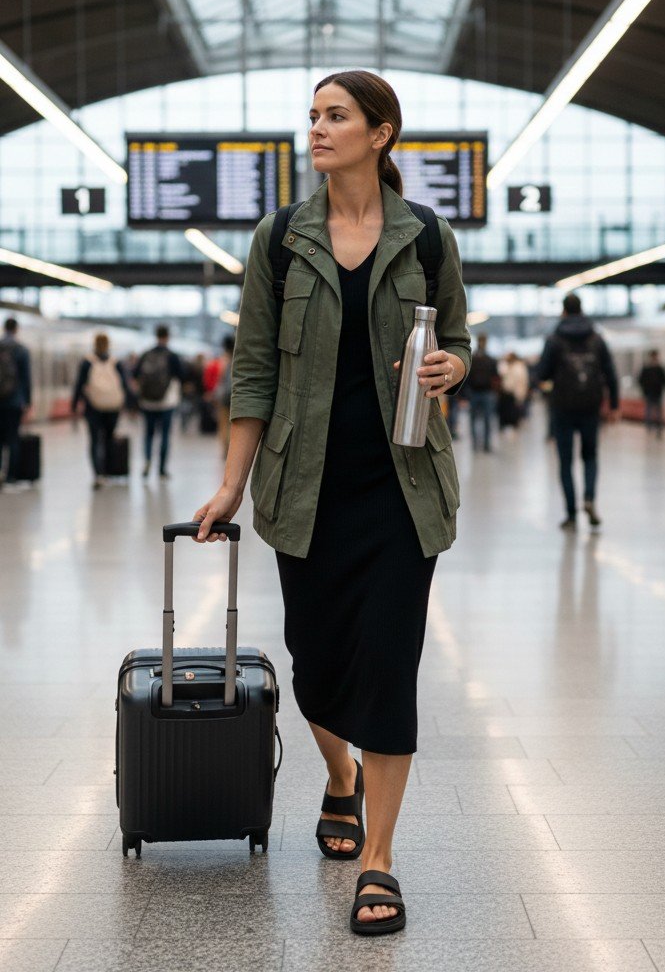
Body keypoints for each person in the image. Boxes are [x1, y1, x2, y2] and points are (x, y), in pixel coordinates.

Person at [192, 70, 471, 935]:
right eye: (311, 115)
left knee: (387, 667)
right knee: (314, 667)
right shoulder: (278, 240)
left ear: (380, 134)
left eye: (335, 115)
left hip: (401, 488)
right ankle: (339, 775)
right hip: (300, 489)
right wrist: (231, 484)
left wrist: (453, 365)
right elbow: (253, 370)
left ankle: (379, 863)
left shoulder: (426, 237)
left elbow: (457, 335)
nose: (315, 128)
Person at [537, 293, 619, 530]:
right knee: (590, 456)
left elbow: (541, 373)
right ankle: (590, 499)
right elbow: (611, 374)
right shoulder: (596, 338)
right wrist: (613, 405)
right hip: (590, 406)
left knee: (565, 461)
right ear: (581, 310)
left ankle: (571, 514)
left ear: (563, 311)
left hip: (562, 407)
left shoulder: (554, 339)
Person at [72, 332, 128, 489]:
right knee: (109, 440)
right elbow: (125, 385)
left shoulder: (87, 362)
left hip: (93, 408)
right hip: (112, 407)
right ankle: (108, 472)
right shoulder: (116, 362)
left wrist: (75, 404)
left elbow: (79, 385)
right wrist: (131, 404)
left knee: (95, 440)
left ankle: (98, 474)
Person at [133, 325, 183, 479]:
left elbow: (135, 374)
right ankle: (161, 469)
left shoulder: (146, 354)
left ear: (156, 335)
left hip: (147, 402)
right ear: (167, 336)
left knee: (148, 434)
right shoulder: (172, 356)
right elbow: (181, 375)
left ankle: (147, 460)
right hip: (166, 402)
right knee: (165, 435)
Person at [0, 316, 31, 489]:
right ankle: (11, 477)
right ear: (16, 329)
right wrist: (28, 402)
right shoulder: (21, 350)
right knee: (13, 440)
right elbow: (26, 379)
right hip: (14, 402)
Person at [467, 334, 499, 451]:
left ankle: (484, 444)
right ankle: (477, 444)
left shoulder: (486, 359)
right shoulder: (474, 359)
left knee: (485, 419)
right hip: (476, 392)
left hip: (486, 393)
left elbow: (496, 377)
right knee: (477, 419)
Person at [638, 349, 665, 437]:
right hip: (650, 393)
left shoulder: (660, 368)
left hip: (658, 392)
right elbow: (641, 380)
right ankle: (649, 427)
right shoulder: (647, 368)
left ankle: (658, 427)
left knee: (657, 411)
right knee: (649, 410)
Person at [498, 351, 529, 430]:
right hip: (506, 392)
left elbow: (523, 380)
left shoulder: (519, 366)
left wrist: (522, 392)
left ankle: (515, 425)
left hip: (516, 392)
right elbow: (501, 373)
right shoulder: (506, 366)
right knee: (506, 410)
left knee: (515, 411)